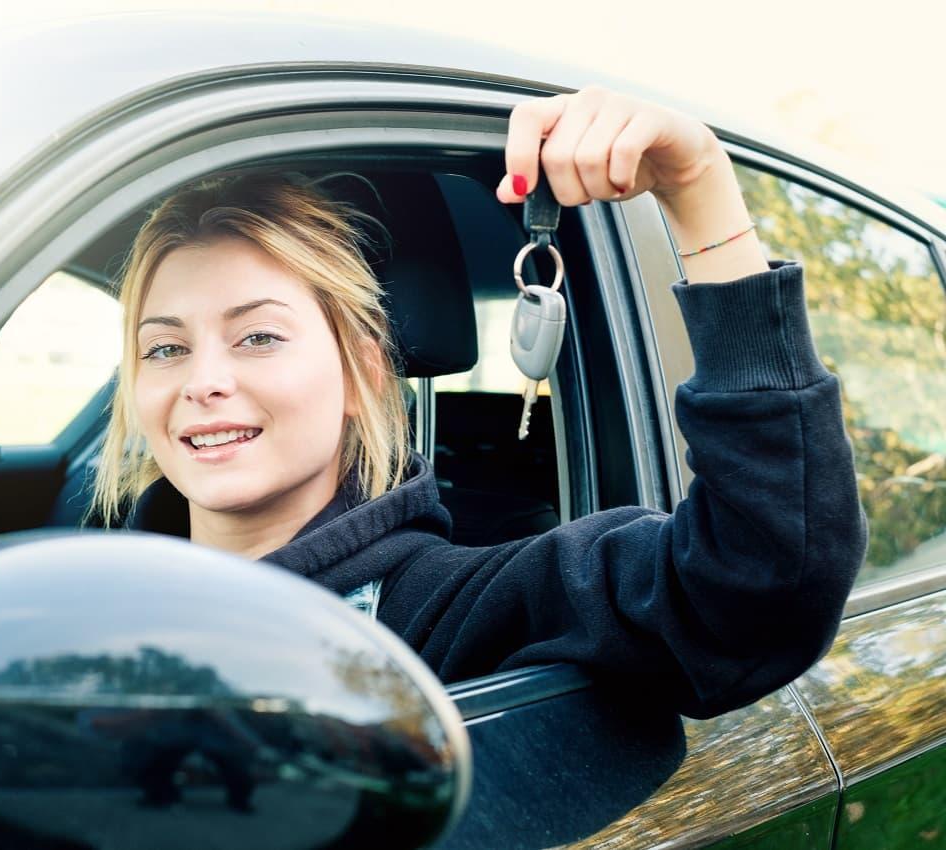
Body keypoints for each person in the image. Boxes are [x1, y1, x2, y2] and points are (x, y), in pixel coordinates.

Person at [86, 86, 867, 719]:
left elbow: (765, 575)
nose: (202, 381)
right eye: (165, 347)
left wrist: (698, 188)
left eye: (257, 337)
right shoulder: (81, 590)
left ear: (364, 373)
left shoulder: (446, 613)